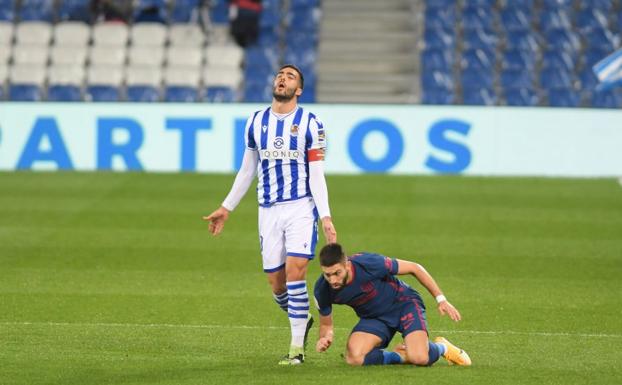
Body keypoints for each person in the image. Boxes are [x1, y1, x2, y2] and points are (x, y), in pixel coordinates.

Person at [203, 64, 337, 365]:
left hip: (301, 207)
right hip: (268, 210)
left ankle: (296, 351)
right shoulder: (255, 121)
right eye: (280, 74)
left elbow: (317, 174)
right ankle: (303, 322)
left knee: (296, 272)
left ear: (298, 90)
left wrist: (325, 216)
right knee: (277, 285)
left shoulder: (311, 124)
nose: (282, 78)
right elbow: (248, 168)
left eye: (290, 77)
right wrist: (226, 208)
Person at [314, 243, 471, 367]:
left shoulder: (368, 263)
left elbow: (414, 268)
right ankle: (400, 356)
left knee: (420, 358)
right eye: (328, 275)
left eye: (337, 273)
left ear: (347, 265)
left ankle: (442, 347)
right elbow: (326, 325)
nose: (333, 280)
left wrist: (441, 299)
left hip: (404, 304)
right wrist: (325, 338)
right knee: (354, 358)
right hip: (374, 318)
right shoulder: (322, 290)